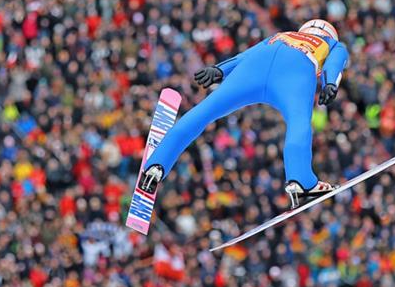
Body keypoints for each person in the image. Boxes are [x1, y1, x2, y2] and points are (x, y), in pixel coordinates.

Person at [139, 19, 349, 208]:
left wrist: (219, 69)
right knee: (298, 124)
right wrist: (330, 83)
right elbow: (335, 63)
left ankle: (156, 165)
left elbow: (247, 55)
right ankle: (300, 180)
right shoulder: (333, 44)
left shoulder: (282, 34)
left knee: (204, 112)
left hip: (254, 68)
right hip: (296, 71)